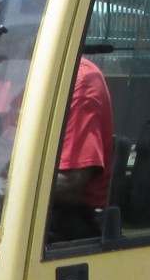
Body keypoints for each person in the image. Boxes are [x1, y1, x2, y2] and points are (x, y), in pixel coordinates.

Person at [47, 54, 114, 242]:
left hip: (71, 217)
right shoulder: (5, 73)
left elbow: (71, 185)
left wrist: (1, 187)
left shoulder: (75, 80)